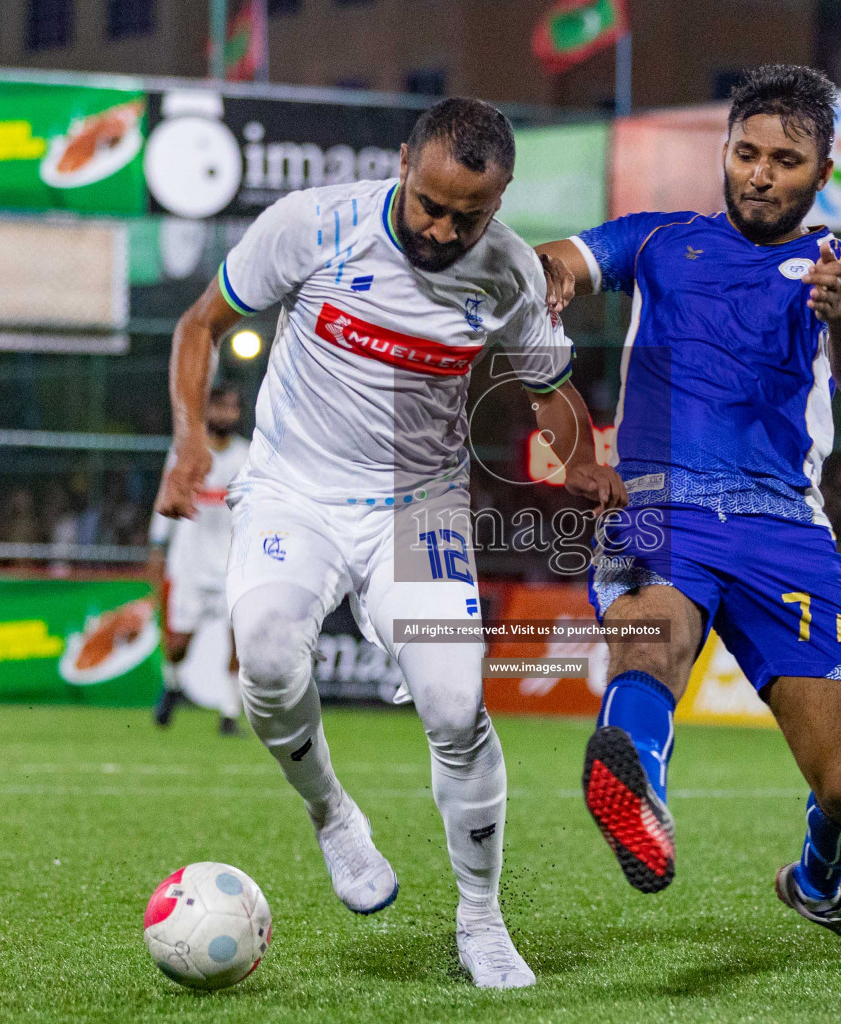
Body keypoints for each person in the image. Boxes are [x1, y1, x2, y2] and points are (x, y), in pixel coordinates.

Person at [154, 97, 624, 990]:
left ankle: (482, 921)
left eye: (468, 215)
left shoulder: (512, 272)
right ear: (405, 163)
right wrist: (190, 443)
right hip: (294, 491)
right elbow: (198, 325)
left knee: (455, 707)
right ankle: (332, 815)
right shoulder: (311, 225)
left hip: (419, 508)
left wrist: (576, 460)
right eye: (431, 204)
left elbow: (547, 385)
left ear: (502, 199)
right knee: (264, 651)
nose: (443, 229)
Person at [537, 65, 841, 963]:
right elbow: (567, 257)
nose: (759, 172)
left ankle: (818, 885)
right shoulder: (663, 240)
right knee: (650, 643)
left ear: (822, 174)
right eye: (746, 152)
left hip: (783, 526)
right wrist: (545, 277)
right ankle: (640, 797)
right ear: (725, 151)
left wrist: (839, 318)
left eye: (785, 160)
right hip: (659, 504)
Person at [148, 384, 250, 737]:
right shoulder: (185, 452)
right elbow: (165, 504)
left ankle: (228, 714)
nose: (226, 414)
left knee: (238, 642)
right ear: (207, 411)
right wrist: (157, 546)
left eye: (232, 408)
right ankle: (173, 685)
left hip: (231, 565)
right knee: (177, 647)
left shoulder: (246, 457)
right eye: (219, 407)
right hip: (189, 564)